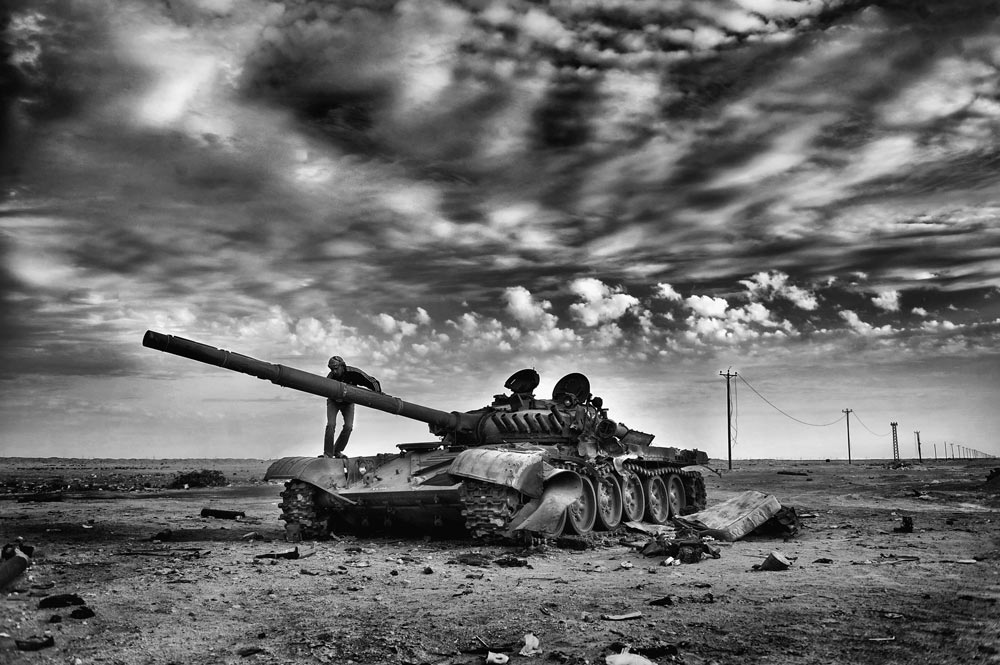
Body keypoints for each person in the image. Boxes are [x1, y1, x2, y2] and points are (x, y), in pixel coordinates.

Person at [323, 356, 382, 458]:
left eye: (336, 368)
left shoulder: (354, 373)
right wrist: (335, 397)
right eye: (332, 369)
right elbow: (324, 389)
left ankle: (337, 451)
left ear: (342, 366)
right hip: (334, 402)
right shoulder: (330, 377)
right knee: (331, 425)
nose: (334, 371)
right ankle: (328, 454)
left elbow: (371, 381)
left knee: (348, 427)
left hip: (348, 403)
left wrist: (378, 393)